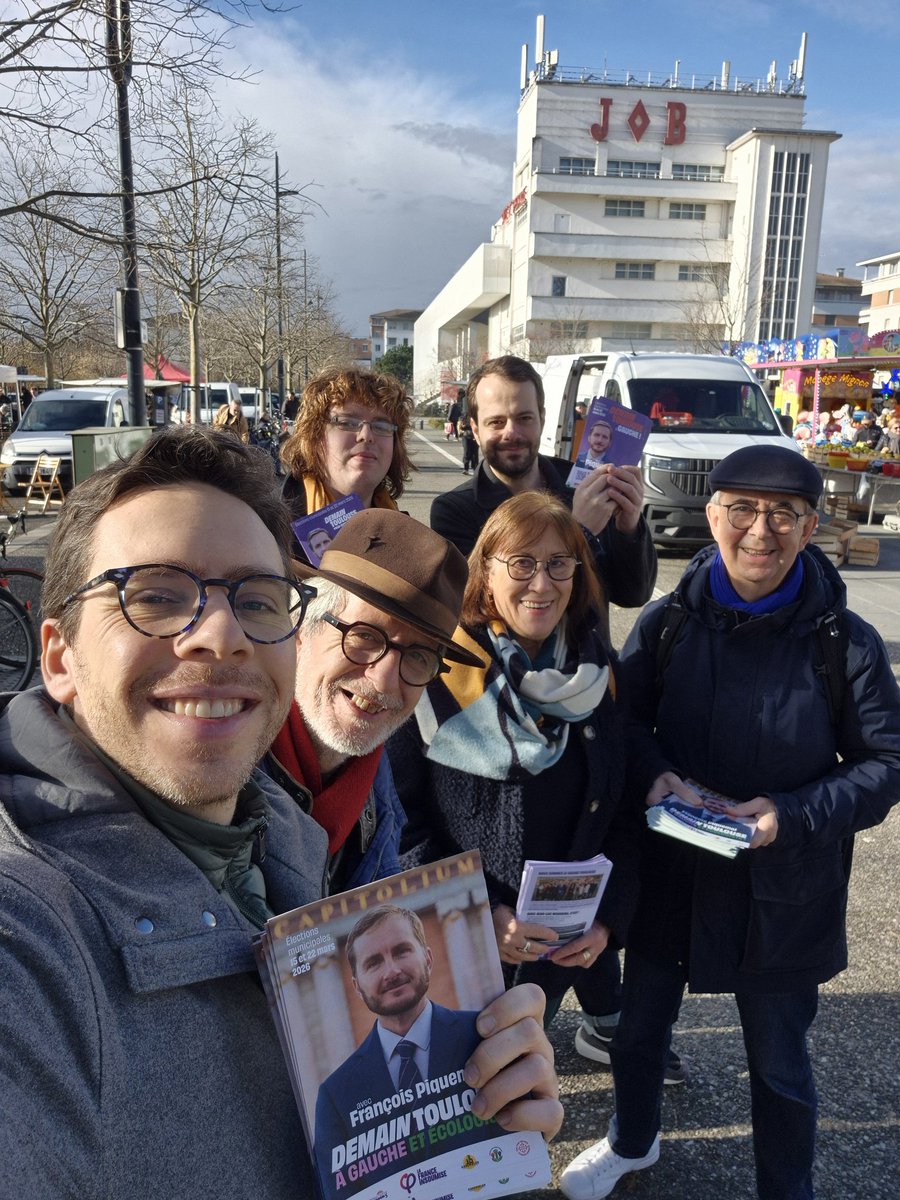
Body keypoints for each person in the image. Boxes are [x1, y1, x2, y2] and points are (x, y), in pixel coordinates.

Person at [0, 426, 563, 1200]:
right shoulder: (27, 939)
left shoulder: (294, 833)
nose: (220, 634)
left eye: (255, 601)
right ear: (59, 657)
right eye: (157, 597)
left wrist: (475, 1129)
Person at [560, 445, 900, 1200]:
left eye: (783, 514)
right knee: (640, 1032)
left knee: (780, 1062)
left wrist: (792, 814)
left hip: (784, 887)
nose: (760, 531)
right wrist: (657, 777)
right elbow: (625, 722)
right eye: (741, 509)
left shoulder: (844, 641)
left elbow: (885, 764)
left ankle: (787, 1188)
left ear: (811, 526)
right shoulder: (668, 622)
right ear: (712, 517)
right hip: (671, 874)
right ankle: (631, 1141)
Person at [392, 492, 661, 1069]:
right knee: (454, 1090)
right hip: (456, 948)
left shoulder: (598, 673)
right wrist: (479, 914)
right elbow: (402, 827)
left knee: (515, 1086)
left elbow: (620, 815)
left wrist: (608, 919)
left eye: (559, 563)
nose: (541, 583)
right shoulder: (434, 673)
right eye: (521, 563)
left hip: (554, 950)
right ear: (484, 574)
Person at [262, 509, 482, 893]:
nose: (383, 680)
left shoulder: (377, 780)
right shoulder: (223, 773)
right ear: (300, 627)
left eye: (417, 656)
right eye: (364, 636)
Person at [430, 355, 657, 648]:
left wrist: (630, 527)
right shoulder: (454, 510)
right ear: (474, 429)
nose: (511, 432)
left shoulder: (584, 487)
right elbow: (473, 611)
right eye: (496, 422)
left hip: (590, 674)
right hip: (505, 682)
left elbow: (633, 594)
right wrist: (579, 531)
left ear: (542, 418)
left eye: (524, 418)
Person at [314, 904, 488, 1200]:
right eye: (373, 963)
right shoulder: (335, 1095)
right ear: (357, 987)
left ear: (428, 959)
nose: (392, 971)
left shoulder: (484, 1033)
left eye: (402, 951)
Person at [279, 366, 414, 561]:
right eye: (348, 423)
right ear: (314, 437)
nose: (366, 436)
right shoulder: (267, 527)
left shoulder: (406, 539)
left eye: (381, 426)